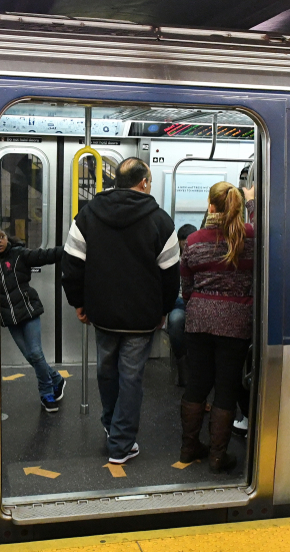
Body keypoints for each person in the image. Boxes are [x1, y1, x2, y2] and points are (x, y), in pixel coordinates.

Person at [62, 157, 180, 465]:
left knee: (107, 370)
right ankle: (122, 443)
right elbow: (171, 274)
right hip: (142, 318)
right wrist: (164, 310)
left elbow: (71, 263)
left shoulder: (87, 215)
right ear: (143, 182)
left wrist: (79, 302)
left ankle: (109, 423)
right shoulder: (162, 221)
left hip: (102, 314)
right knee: (131, 377)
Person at [179, 182, 255, 473]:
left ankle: (188, 448)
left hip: (198, 320)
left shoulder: (195, 240)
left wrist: (199, 306)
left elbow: (186, 288)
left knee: (197, 384)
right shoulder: (250, 237)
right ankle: (217, 457)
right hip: (236, 322)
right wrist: (251, 203)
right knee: (226, 387)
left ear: (210, 206)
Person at [0, 231, 65, 413]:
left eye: (2, 237)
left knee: (36, 353)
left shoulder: (19, 255)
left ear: (6, 238)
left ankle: (46, 393)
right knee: (31, 357)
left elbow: (45, 255)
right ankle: (57, 379)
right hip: (10, 318)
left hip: (28, 312)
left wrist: (69, 250)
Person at [167, 224, 199, 387]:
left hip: (197, 300)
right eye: (183, 244)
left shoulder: (201, 257)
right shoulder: (174, 260)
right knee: (175, 320)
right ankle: (182, 364)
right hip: (180, 301)